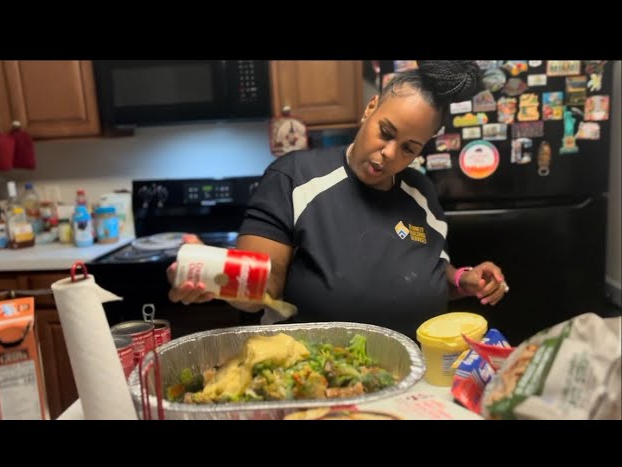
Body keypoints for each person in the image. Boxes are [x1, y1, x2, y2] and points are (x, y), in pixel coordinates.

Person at [167, 60, 509, 340]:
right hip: (310, 381)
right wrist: (217, 274)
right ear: (370, 108)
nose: (389, 153)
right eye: (386, 132)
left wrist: (462, 279)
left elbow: (430, 268)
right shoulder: (293, 176)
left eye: (408, 148)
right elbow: (265, 284)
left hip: (412, 382)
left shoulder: (421, 191)